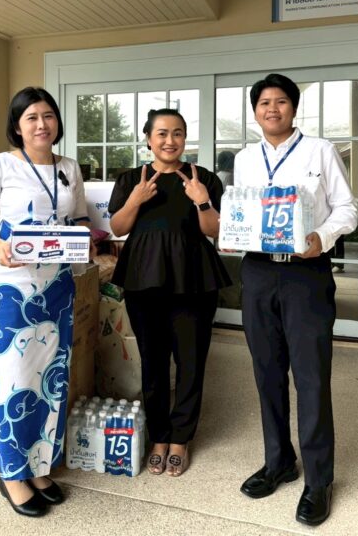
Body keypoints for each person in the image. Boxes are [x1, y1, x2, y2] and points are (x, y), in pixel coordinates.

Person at [233, 74, 358, 526]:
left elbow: (347, 209)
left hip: (306, 272)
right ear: (255, 112)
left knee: (311, 377)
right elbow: (243, 209)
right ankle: (279, 461)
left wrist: (321, 237)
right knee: (266, 371)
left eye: (281, 101)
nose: (272, 108)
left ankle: (319, 478)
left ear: (293, 107)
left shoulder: (320, 151)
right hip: (258, 271)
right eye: (264, 102)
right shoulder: (245, 158)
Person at [0, 87, 90, 517]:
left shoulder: (68, 167)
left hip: (58, 285)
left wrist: (85, 237)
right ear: (17, 126)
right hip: (13, 288)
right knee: (15, 378)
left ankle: (38, 466)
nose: (42, 124)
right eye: (32, 117)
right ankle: (11, 474)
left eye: (48, 115)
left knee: (52, 379)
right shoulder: (0, 164)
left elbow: (79, 218)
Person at [108, 108, 231, 477]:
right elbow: (118, 227)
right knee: (153, 361)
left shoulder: (203, 178)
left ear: (185, 138)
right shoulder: (131, 178)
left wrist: (201, 200)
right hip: (143, 277)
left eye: (177, 133)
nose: (170, 140)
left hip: (194, 277)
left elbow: (214, 230)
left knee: (191, 361)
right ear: (148, 139)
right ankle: (159, 436)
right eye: (162, 133)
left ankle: (181, 438)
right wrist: (136, 199)